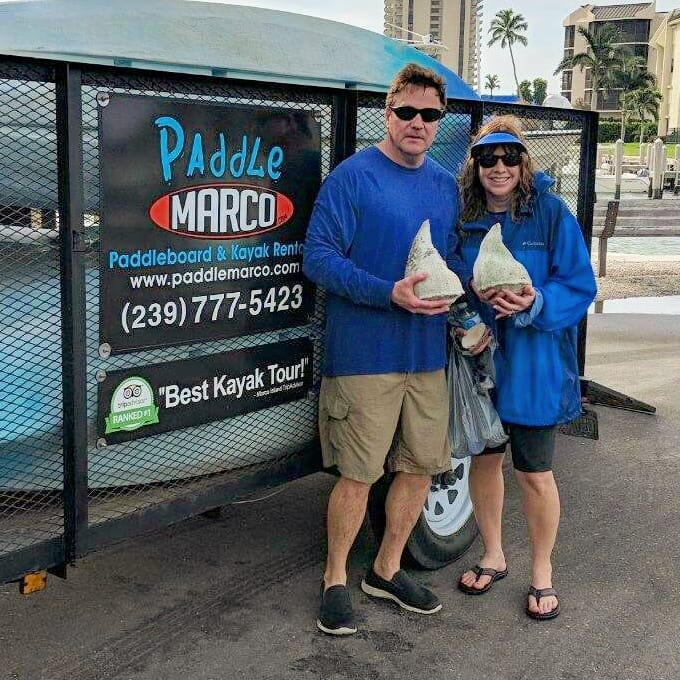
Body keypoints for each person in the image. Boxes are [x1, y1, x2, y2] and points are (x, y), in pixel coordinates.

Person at [303, 63, 466, 636]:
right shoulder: (352, 177)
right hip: (364, 355)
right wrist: (387, 294)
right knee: (358, 474)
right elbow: (318, 258)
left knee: (421, 468)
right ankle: (335, 580)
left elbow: (451, 261)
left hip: (426, 357)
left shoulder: (446, 186)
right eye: (406, 112)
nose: (417, 124)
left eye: (429, 115)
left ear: (437, 122)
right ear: (387, 112)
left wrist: (477, 299)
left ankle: (387, 568)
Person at [454, 116, 596, 620]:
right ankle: (493, 554)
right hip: (481, 362)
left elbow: (579, 286)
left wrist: (535, 301)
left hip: (535, 365)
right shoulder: (463, 217)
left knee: (535, 472)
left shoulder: (552, 213)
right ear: (475, 165)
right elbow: (450, 281)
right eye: (487, 157)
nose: (498, 167)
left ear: (523, 162)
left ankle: (542, 571)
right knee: (485, 459)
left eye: (509, 156)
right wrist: (470, 319)